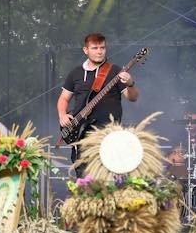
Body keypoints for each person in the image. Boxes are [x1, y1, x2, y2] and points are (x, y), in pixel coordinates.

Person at [57, 33, 140, 169]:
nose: (99, 51)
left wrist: (131, 83)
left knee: (108, 175)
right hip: (81, 135)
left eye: (102, 47)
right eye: (95, 48)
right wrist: (62, 115)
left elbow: (133, 97)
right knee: (84, 176)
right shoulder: (75, 73)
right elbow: (64, 98)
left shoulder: (115, 71)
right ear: (86, 50)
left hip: (109, 135)